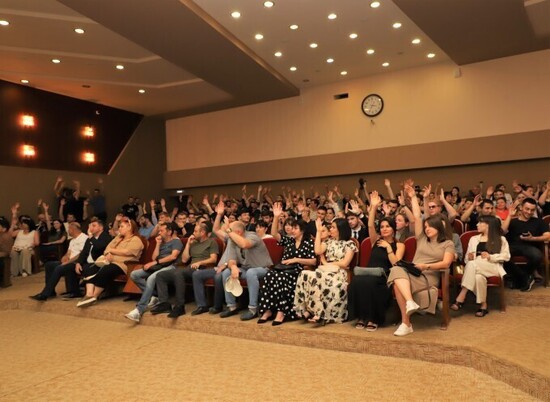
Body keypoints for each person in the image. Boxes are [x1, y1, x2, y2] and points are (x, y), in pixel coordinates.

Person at [387, 184, 455, 336]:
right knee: (396, 269)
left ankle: (406, 323)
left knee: (397, 283)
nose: (427, 229)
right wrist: (412, 197)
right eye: (426, 227)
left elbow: (446, 263)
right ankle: (410, 304)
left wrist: (425, 266)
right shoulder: (422, 238)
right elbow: (417, 217)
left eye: (430, 226)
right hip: (413, 272)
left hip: (428, 276)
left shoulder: (448, 244)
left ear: (439, 227)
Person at [348, 191, 405, 331]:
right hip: (368, 273)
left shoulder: (399, 245)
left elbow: (396, 264)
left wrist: (388, 248)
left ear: (393, 229)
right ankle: (362, 316)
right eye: (382, 227)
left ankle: (374, 318)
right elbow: (370, 226)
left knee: (372, 283)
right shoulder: (375, 241)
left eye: (388, 226)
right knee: (356, 281)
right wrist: (373, 207)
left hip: (385, 276)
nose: (384, 229)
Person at [257, 202, 316, 326]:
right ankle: (268, 310)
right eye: (292, 228)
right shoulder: (289, 240)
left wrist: (296, 259)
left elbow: (313, 261)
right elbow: (274, 234)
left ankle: (282, 312)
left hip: (298, 270)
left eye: (295, 228)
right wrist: (276, 217)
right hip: (283, 268)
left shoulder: (309, 242)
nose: (292, 230)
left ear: (302, 230)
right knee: (270, 275)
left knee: (282, 278)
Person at [294, 217, 357, 325]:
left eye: (333, 227)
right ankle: (308, 309)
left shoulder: (350, 244)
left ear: (340, 229)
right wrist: (318, 232)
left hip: (339, 273)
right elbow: (317, 251)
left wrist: (327, 263)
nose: (330, 229)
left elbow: (345, 263)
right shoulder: (328, 241)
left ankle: (319, 313)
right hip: (325, 271)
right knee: (304, 274)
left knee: (318, 278)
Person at [150, 221, 217, 319]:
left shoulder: (212, 242)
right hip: (190, 268)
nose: (193, 233)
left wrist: (200, 263)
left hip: (203, 268)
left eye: (195, 231)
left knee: (178, 273)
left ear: (202, 232)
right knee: (161, 275)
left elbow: (213, 259)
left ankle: (180, 306)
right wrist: (188, 244)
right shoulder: (193, 243)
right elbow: (184, 260)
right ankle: (164, 303)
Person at [451, 215, 510, 317]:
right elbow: (467, 260)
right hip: (476, 266)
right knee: (478, 277)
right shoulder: (473, 239)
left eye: (480, 222)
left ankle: (462, 294)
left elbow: (506, 256)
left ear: (488, 225)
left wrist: (490, 257)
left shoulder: (501, 239)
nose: (477, 224)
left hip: (493, 267)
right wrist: (469, 257)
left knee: (472, 264)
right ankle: (483, 306)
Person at [77, 218, 143, 307]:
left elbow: (127, 252)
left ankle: (94, 296)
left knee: (107, 270)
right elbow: (107, 249)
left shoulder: (136, 239)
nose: (119, 229)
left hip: (123, 265)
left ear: (129, 227)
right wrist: (108, 253)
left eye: (122, 226)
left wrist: (111, 251)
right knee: (91, 268)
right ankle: (88, 295)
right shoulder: (118, 238)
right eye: (119, 226)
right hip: (109, 262)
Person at [125, 222, 183, 322]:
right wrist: (157, 244)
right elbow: (153, 257)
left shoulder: (176, 242)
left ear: (169, 232)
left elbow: (173, 257)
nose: (159, 233)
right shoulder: (161, 242)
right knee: (134, 274)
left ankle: (139, 310)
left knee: (151, 278)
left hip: (170, 267)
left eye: (162, 231)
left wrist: (156, 262)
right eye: (159, 231)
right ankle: (154, 296)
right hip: (158, 266)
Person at [219, 221, 273, 320]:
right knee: (227, 272)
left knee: (251, 272)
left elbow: (244, 244)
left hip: (263, 269)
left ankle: (253, 309)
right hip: (246, 269)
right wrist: (233, 267)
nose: (228, 233)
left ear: (238, 232)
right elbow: (231, 260)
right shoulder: (233, 240)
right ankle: (231, 307)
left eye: (230, 231)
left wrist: (228, 230)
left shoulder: (253, 236)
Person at [29, 222, 88, 301]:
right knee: (49, 265)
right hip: (69, 261)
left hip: (78, 263)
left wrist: (67, 262)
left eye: (69, 229)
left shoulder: (84, 238)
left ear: (73, 229)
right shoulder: (72, 240)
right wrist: (65, 257)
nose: (68, 231)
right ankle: (51, 292)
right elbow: (69, 252)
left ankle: (44, 294)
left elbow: (81, 255)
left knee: (59, 268)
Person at [502, 198, 550, 291]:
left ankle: (519, 278)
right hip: (512, 246)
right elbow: (502, 232)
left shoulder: (539, 221)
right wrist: (509, 216)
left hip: (530, 247)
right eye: (527, 209)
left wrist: (532, 238)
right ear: (521, 207)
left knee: (537, 255)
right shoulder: (512, 221)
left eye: (532, 210)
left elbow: (548, 236)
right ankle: (525, 277)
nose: (529, 212)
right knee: (502, 256)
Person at [10, 213, 39, 277]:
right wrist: (13, 224)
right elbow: (10, 235)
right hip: (17, 247)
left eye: (25, 223)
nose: (23, 224)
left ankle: (25, 271)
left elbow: (37, 242)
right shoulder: (19, 231)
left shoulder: (34, 232)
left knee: (25, 251)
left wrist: (31, 245)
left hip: (28, 248)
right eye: (22, 223)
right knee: (13, 252)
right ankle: (14, 272)